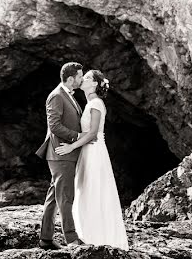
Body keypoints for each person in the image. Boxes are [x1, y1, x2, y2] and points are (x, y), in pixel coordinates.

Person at [56, 70, 129, 249]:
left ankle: (99, 237)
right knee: (86, 189)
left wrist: (71, 146)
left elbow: (94, 133)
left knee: (94, 190)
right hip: (87, 152)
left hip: (95, 152)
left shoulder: (96, 103)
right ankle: (87, 235)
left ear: (95, 84)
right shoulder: (90, 103)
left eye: (87, 78)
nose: (83, 80)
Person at [36, 62, 85, 249]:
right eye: (80, 76)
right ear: (71, 78)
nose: (82, 79)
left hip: (65, 153)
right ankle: (71, 239)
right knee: (66, 197)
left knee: (53, 196)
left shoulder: (68, 96)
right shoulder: (56, 96)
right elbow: (54, 126)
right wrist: (77, 137)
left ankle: (46, 239)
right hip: (60, 153)